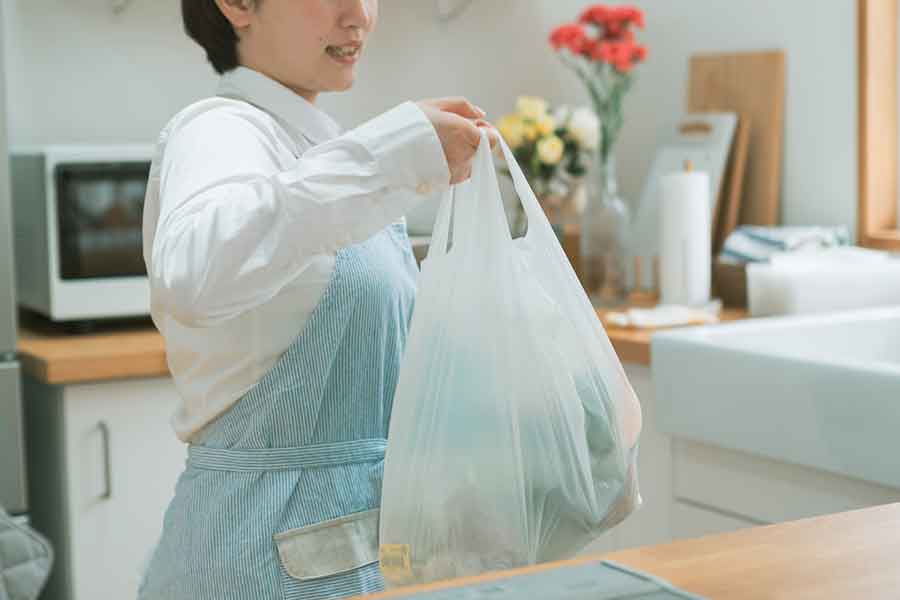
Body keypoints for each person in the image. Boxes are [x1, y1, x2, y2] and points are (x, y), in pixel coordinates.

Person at [138, 1, 497, 598]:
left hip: (341, 558)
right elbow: (193, 271)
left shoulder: (312, 147)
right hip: (252, 562)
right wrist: (389, 153)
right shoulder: (220, 128)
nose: (360, 15)